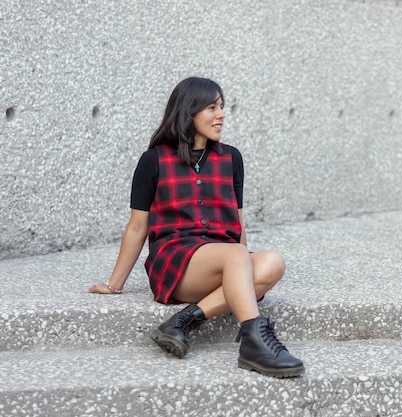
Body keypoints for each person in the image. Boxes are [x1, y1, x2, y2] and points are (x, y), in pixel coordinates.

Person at [88, 77, 305, 378]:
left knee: (271, 263)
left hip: (223, 258)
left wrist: (241, 259)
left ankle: (184, 321)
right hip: (176, 262)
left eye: (222, 107)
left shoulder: (231, 159)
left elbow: (237, 222)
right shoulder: (154, 161)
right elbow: (138, 228)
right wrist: (114, 285)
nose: (221, 115)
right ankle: (255, 341)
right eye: (211, 107)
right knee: (236, 254)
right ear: (188, 112)